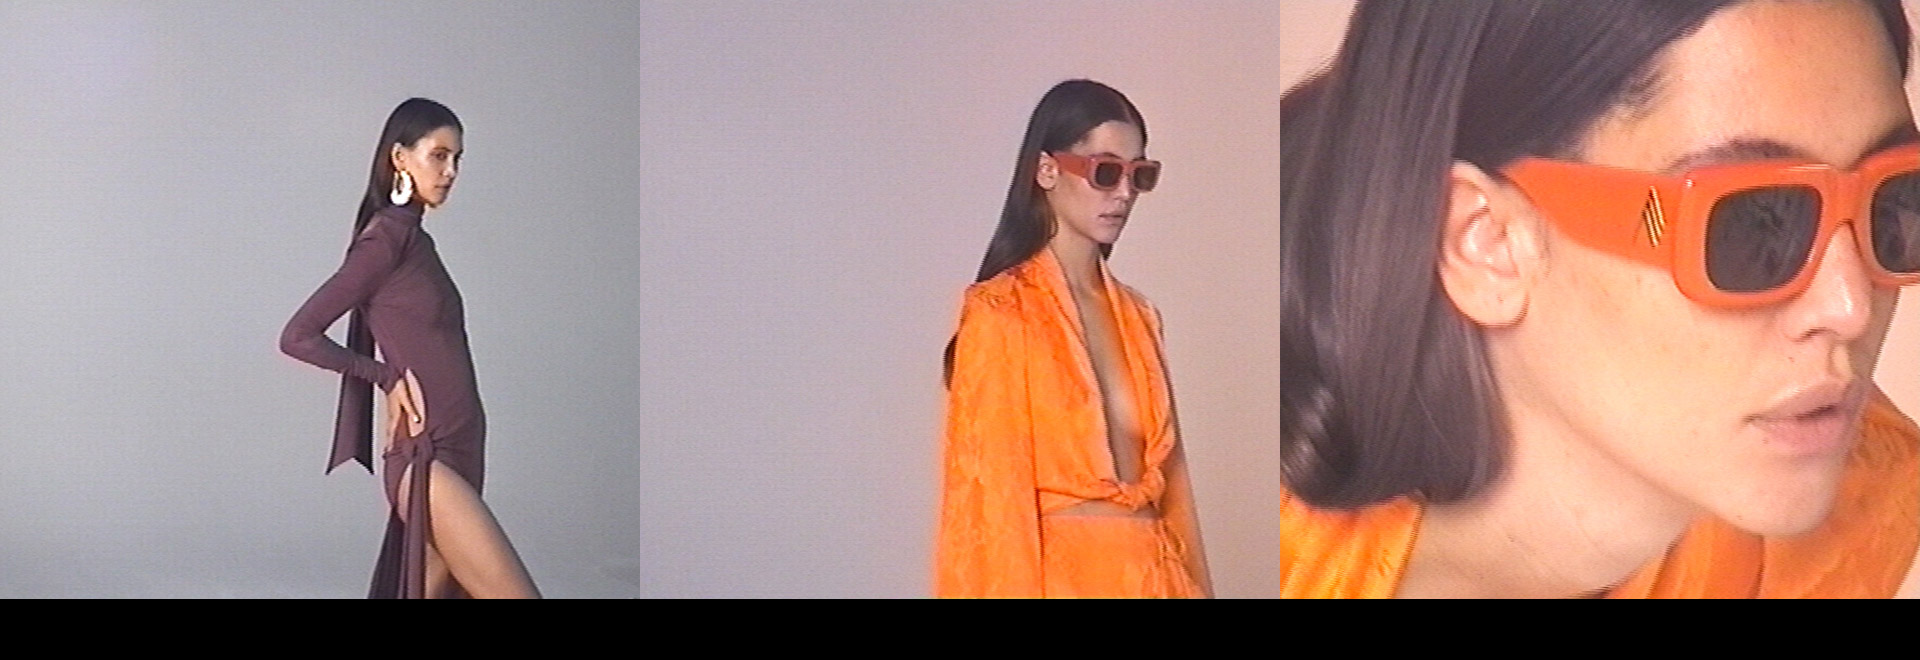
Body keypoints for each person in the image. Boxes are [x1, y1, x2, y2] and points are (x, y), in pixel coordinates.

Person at [1282, 0, 1920, 598]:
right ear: (1486, 243)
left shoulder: (1860, 511)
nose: (1850, 307)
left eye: (1895, 200)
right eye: (1752, 222)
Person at [935, 79, 1210, 598]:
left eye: (1139, 175)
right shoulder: (1000, 311)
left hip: (1159, 580)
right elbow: (988, 509)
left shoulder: (1140, 317)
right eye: (1105, 171)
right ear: (1047, 170)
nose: (1124, 193)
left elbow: (1176, 497)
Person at [281, 98, 540, 598]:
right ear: (400, 158)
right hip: (428, 456)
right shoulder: (385, 241)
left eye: (457, 159)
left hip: (462, 449)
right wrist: (385, 378)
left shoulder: (416, 242)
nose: (450, 172)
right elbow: (298, 335)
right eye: (438, 156)